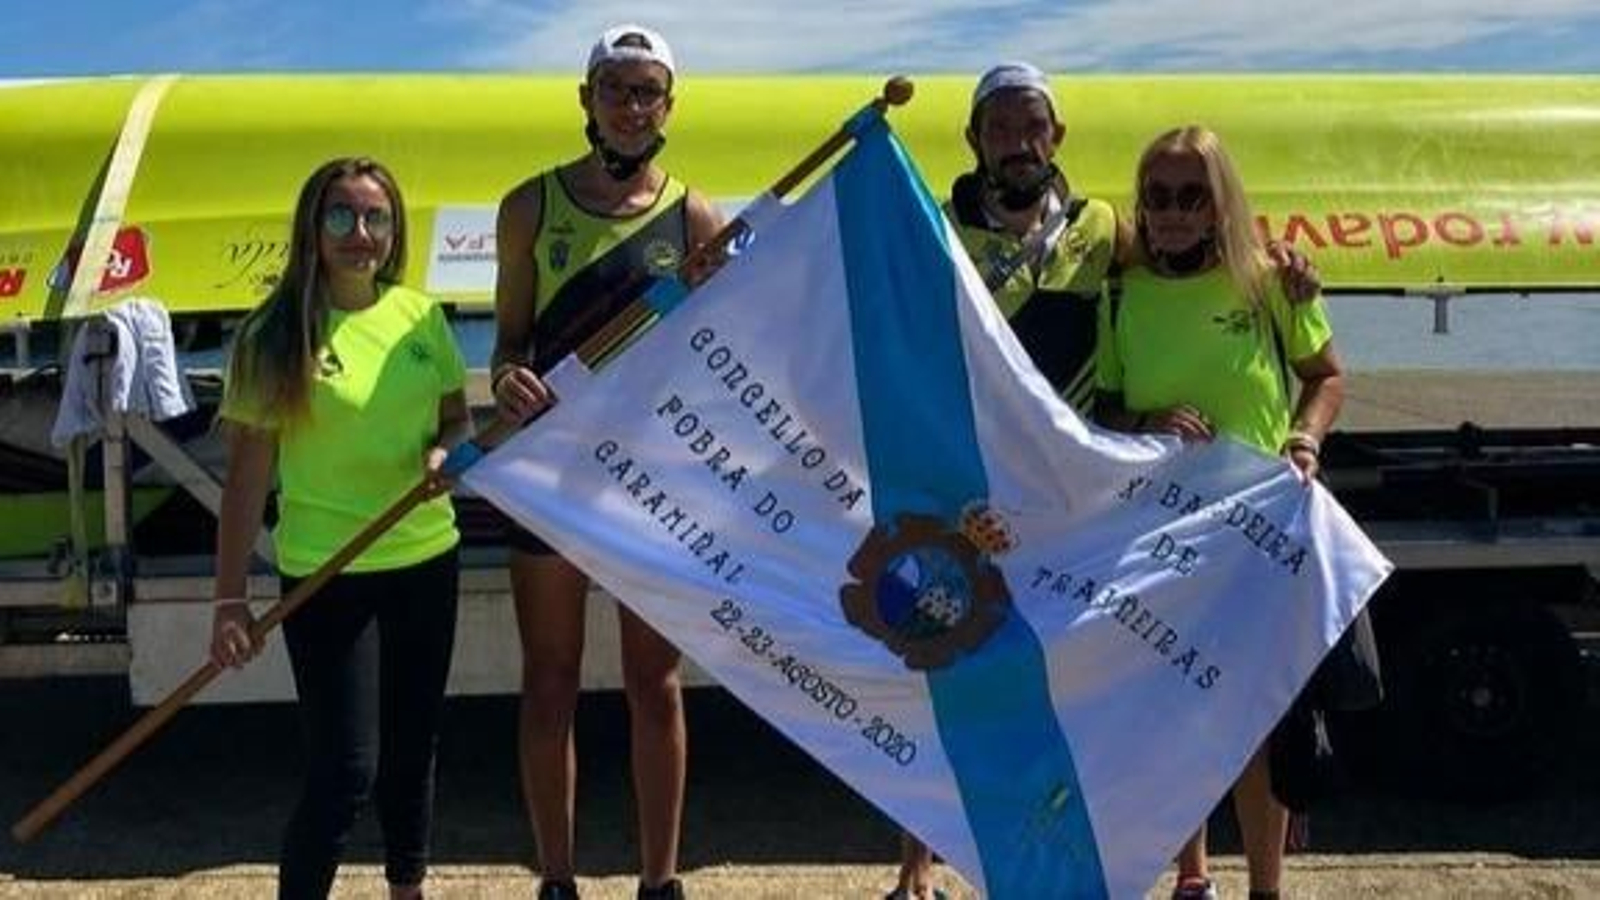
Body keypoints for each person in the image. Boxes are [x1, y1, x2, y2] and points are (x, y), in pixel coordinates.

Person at [489, 24, 725, 900]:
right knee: (550, 682)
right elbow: (509, 342)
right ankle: (556, 879)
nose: (631, 107)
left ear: (670, 105)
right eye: (616, 89)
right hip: (552, 475)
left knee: (654, 685)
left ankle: (659, 881)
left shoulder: (696, 218)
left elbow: (715, 358)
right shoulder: (530, 207)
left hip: (649, 485)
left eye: (647, 91)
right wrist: (506, 380)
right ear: (586, 99)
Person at [1093, 125, 1346, 900]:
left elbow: (1326, 376)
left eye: (1191, 196)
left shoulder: (1269, 283)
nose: (1172, 212)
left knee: (1258, 719)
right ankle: (1193, 877)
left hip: (1256, 532)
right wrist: (1150, 422)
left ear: (1219, 205)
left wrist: (1304, 439)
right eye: (1158, 196)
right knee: (1178, 712)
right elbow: (1106, 409)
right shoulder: (1121, 293)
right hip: (1162, 530)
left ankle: (1266, 887)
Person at [208, 156, 471, 900]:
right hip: (327, 575)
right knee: (345, 770)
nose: (360, 233)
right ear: (312, 229)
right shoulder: (273, 335)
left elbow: (457, 417)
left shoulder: (420, 316)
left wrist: (446, 451)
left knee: (412, 752)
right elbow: (246, 483)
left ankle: (407, 888)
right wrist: (229, 600)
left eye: (376, 217)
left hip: (426, 559)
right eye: (341, 216)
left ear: (394, 229)